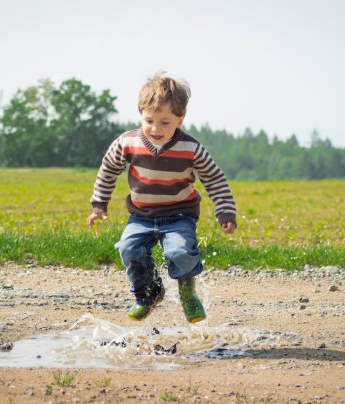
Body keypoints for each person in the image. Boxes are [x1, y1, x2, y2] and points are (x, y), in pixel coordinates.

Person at [87, 71, 237, 323]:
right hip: (141, 215)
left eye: (165, 122)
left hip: (180, 215)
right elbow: (108, 169)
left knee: (180, 252)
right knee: (128, 248)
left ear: (180, 119)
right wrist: (99, 204)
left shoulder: (191, 148)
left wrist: (225, 210)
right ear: (141, 115)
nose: (156, 129)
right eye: (149, 120)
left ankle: (188, 291)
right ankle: (149, 293)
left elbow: (214, 178)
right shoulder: (127, 142)